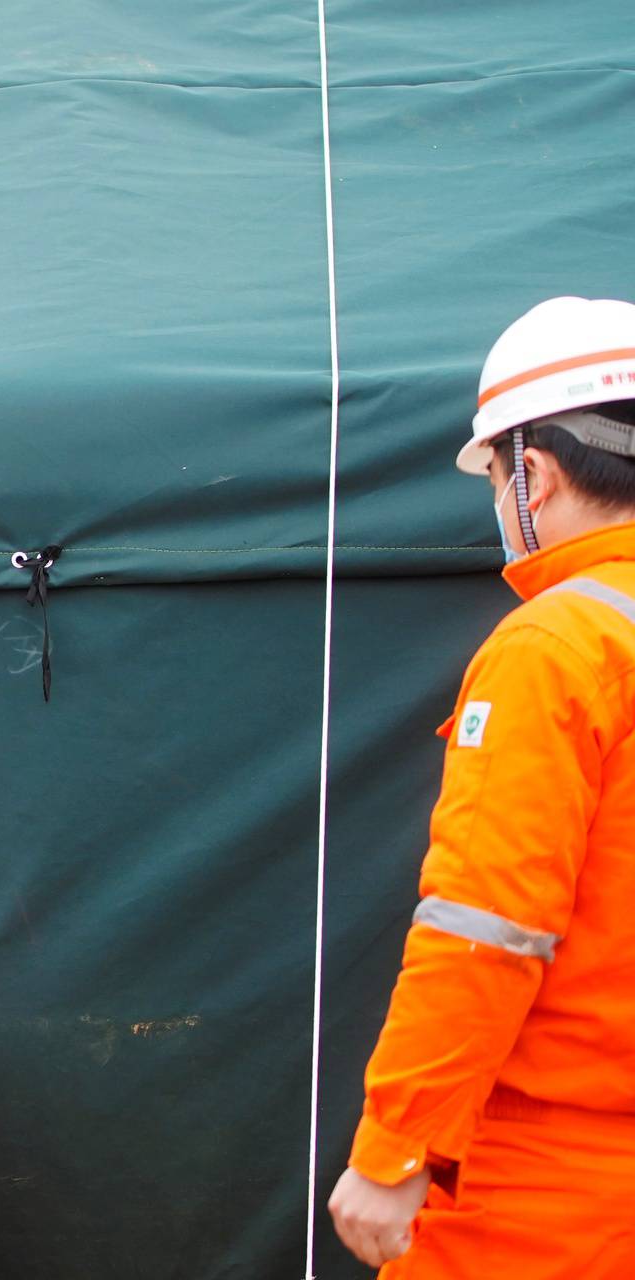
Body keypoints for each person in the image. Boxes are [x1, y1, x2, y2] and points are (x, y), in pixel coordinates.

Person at [328, 296, 635, 1277]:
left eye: (498, 476)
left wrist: (394, 1147)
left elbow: (489, 924)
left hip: (553, 1181)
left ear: (533, 475)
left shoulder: (562, 643)